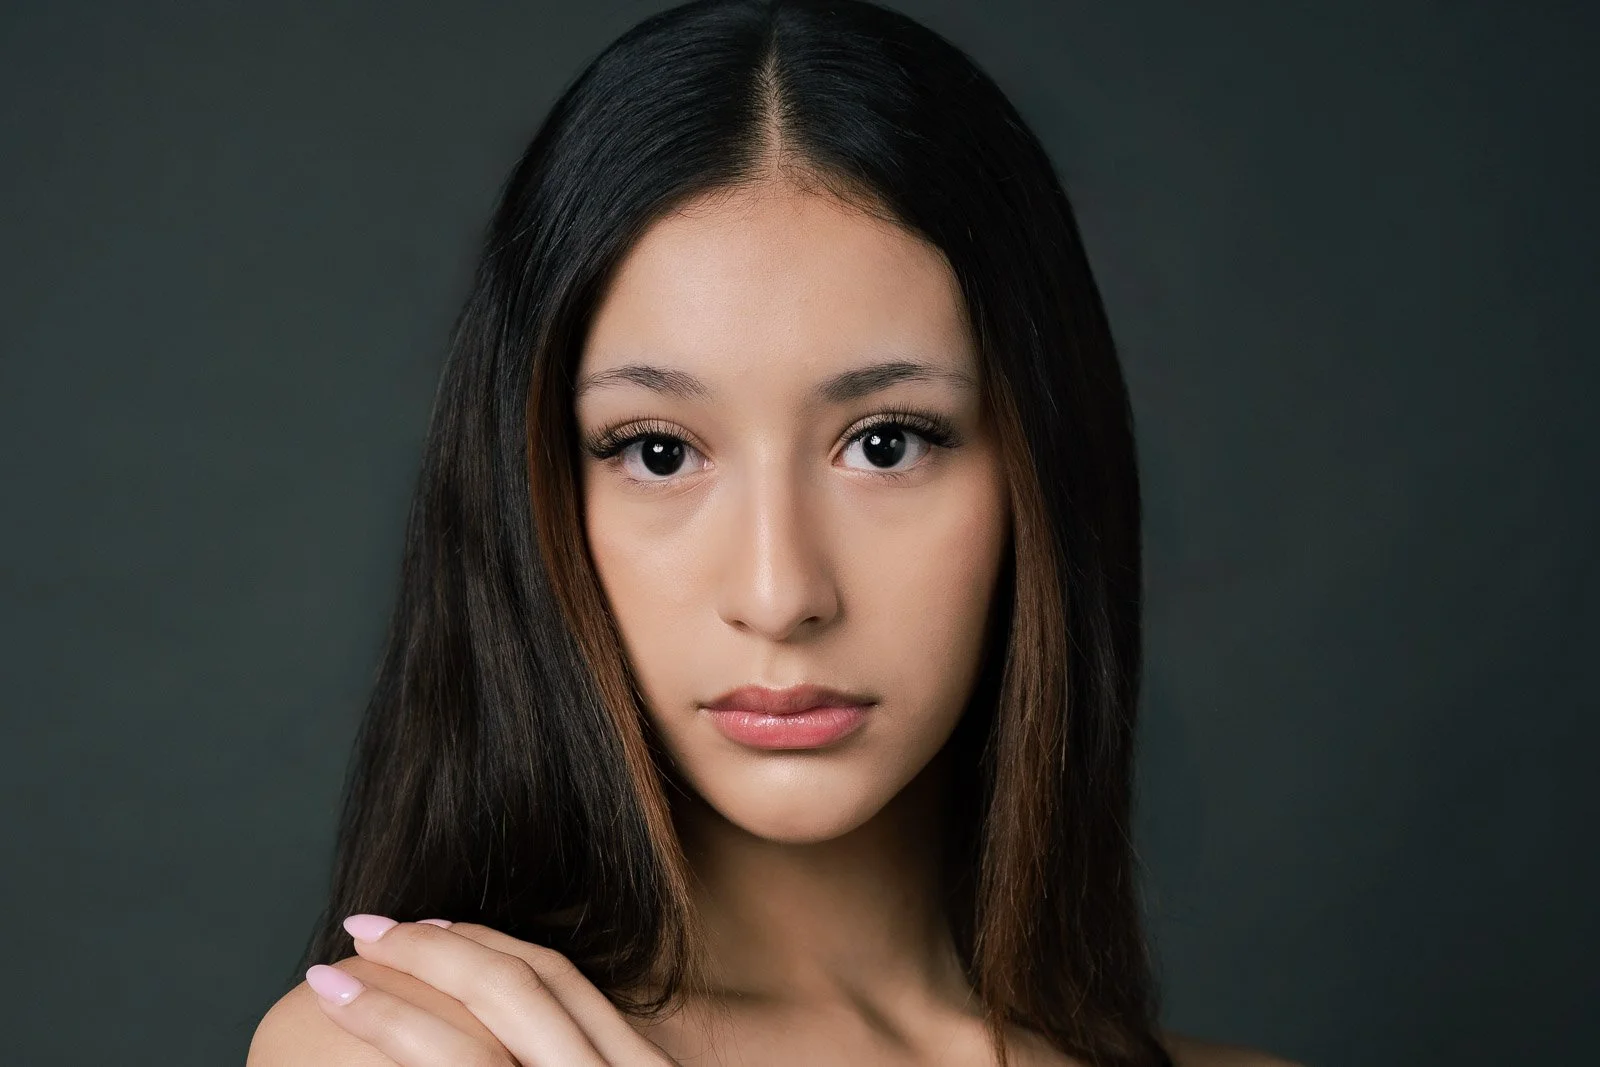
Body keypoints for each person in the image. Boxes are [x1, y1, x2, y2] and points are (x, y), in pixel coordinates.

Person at [248, 0, 1302, 1063]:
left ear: (1042, 469)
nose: (778, 588)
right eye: (658, 450)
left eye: (886, 443)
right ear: (531, 492)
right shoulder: (416, 1047)